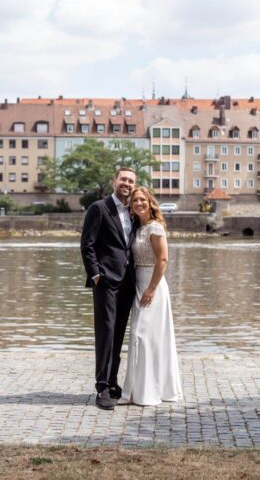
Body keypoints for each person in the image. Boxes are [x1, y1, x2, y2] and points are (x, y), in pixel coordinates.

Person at [80, 167, 137, 410]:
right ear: (114, 181)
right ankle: (101, 386)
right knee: (105, 333)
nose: (127, 183)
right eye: (123, 179)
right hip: (105, 281)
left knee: (118, 333)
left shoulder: (133, 211)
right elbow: (87, 244)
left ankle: (113, 382)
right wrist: (95, 274)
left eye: (131, 181)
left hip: (128, 282)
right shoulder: (99, 208)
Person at [119, 186, 182, 406]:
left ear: (150, 202)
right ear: (132, 207)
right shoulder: (137, 227)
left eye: (142, 200)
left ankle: (149, 393)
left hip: (152, 285)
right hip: (139, 283)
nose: (138, 203)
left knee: (143, 337)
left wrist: (152, 288)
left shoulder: (155, 227)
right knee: (142, 338)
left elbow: (163, 260)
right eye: (135, 201)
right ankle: (137, 391)